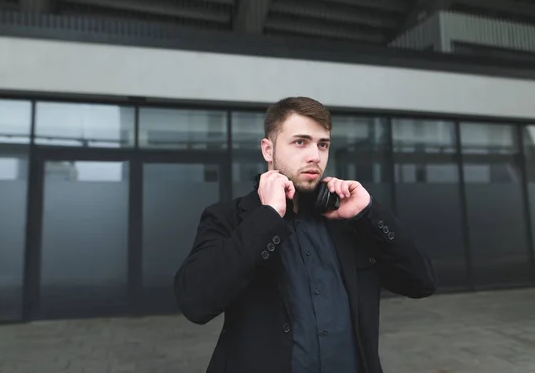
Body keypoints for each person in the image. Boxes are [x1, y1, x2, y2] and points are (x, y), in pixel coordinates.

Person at [174, 97, 437, 373]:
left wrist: (369, 212)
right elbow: (195, 302)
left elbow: (421, 282)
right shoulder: (229, 218)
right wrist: (268, 217)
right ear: (268, 149)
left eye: (323, 144)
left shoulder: (347, 221)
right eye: (300, 142)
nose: (315, 156)